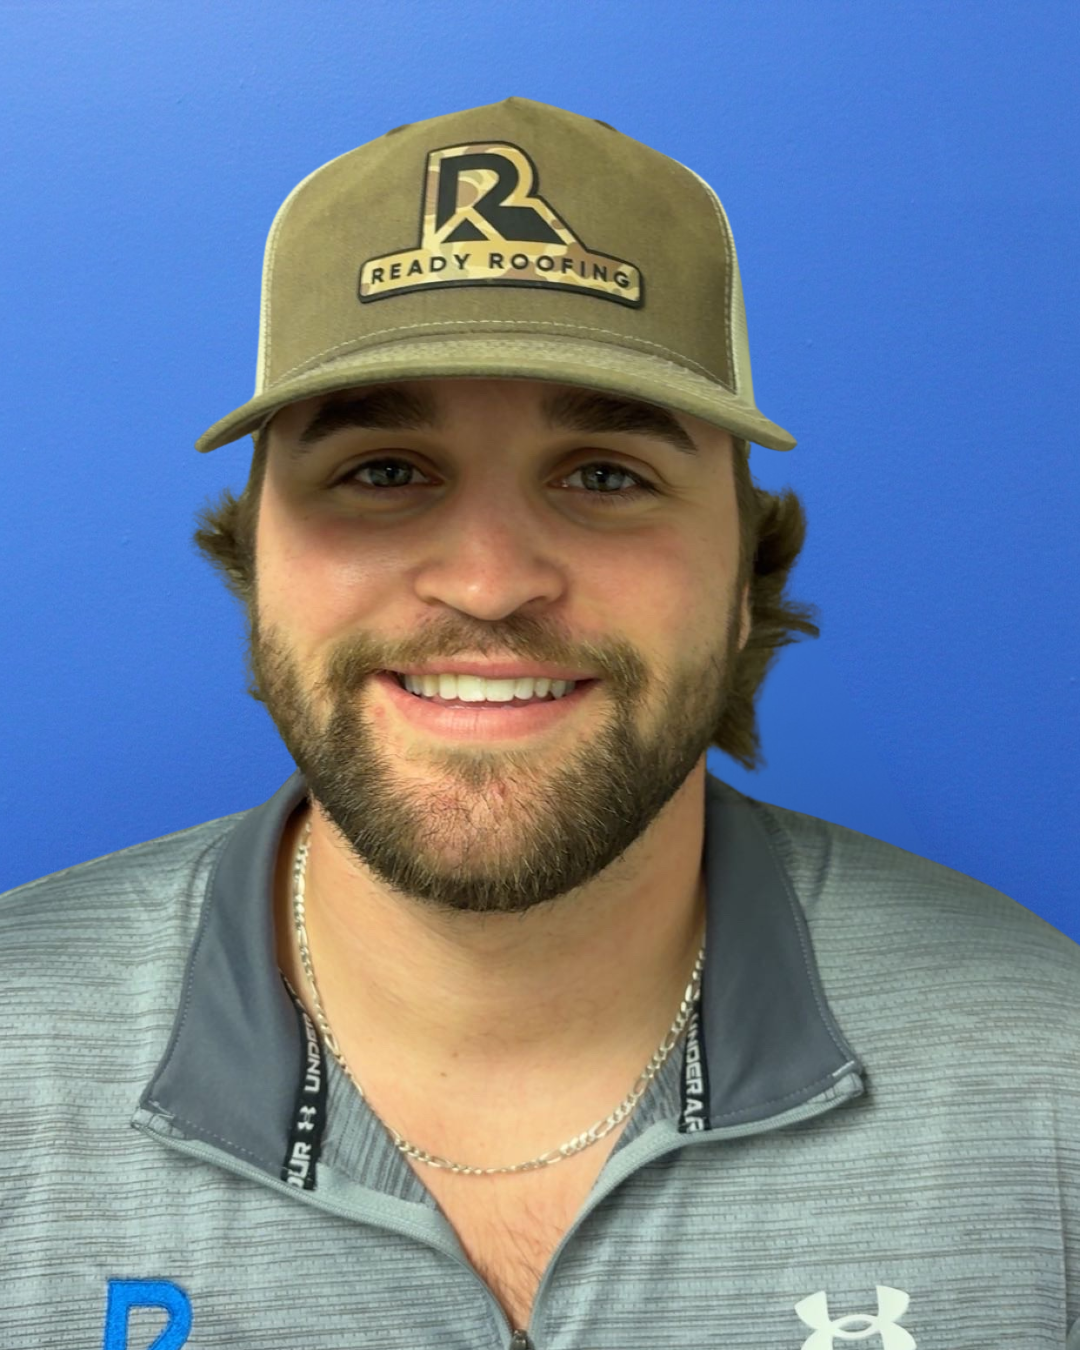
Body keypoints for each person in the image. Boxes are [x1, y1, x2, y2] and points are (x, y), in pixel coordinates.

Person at [3, 96, 1079, 1350]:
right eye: (383, 471)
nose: (488, 581)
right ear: (258, 565)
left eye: (607, 475)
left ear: (743, 577)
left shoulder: (1047, 1080)